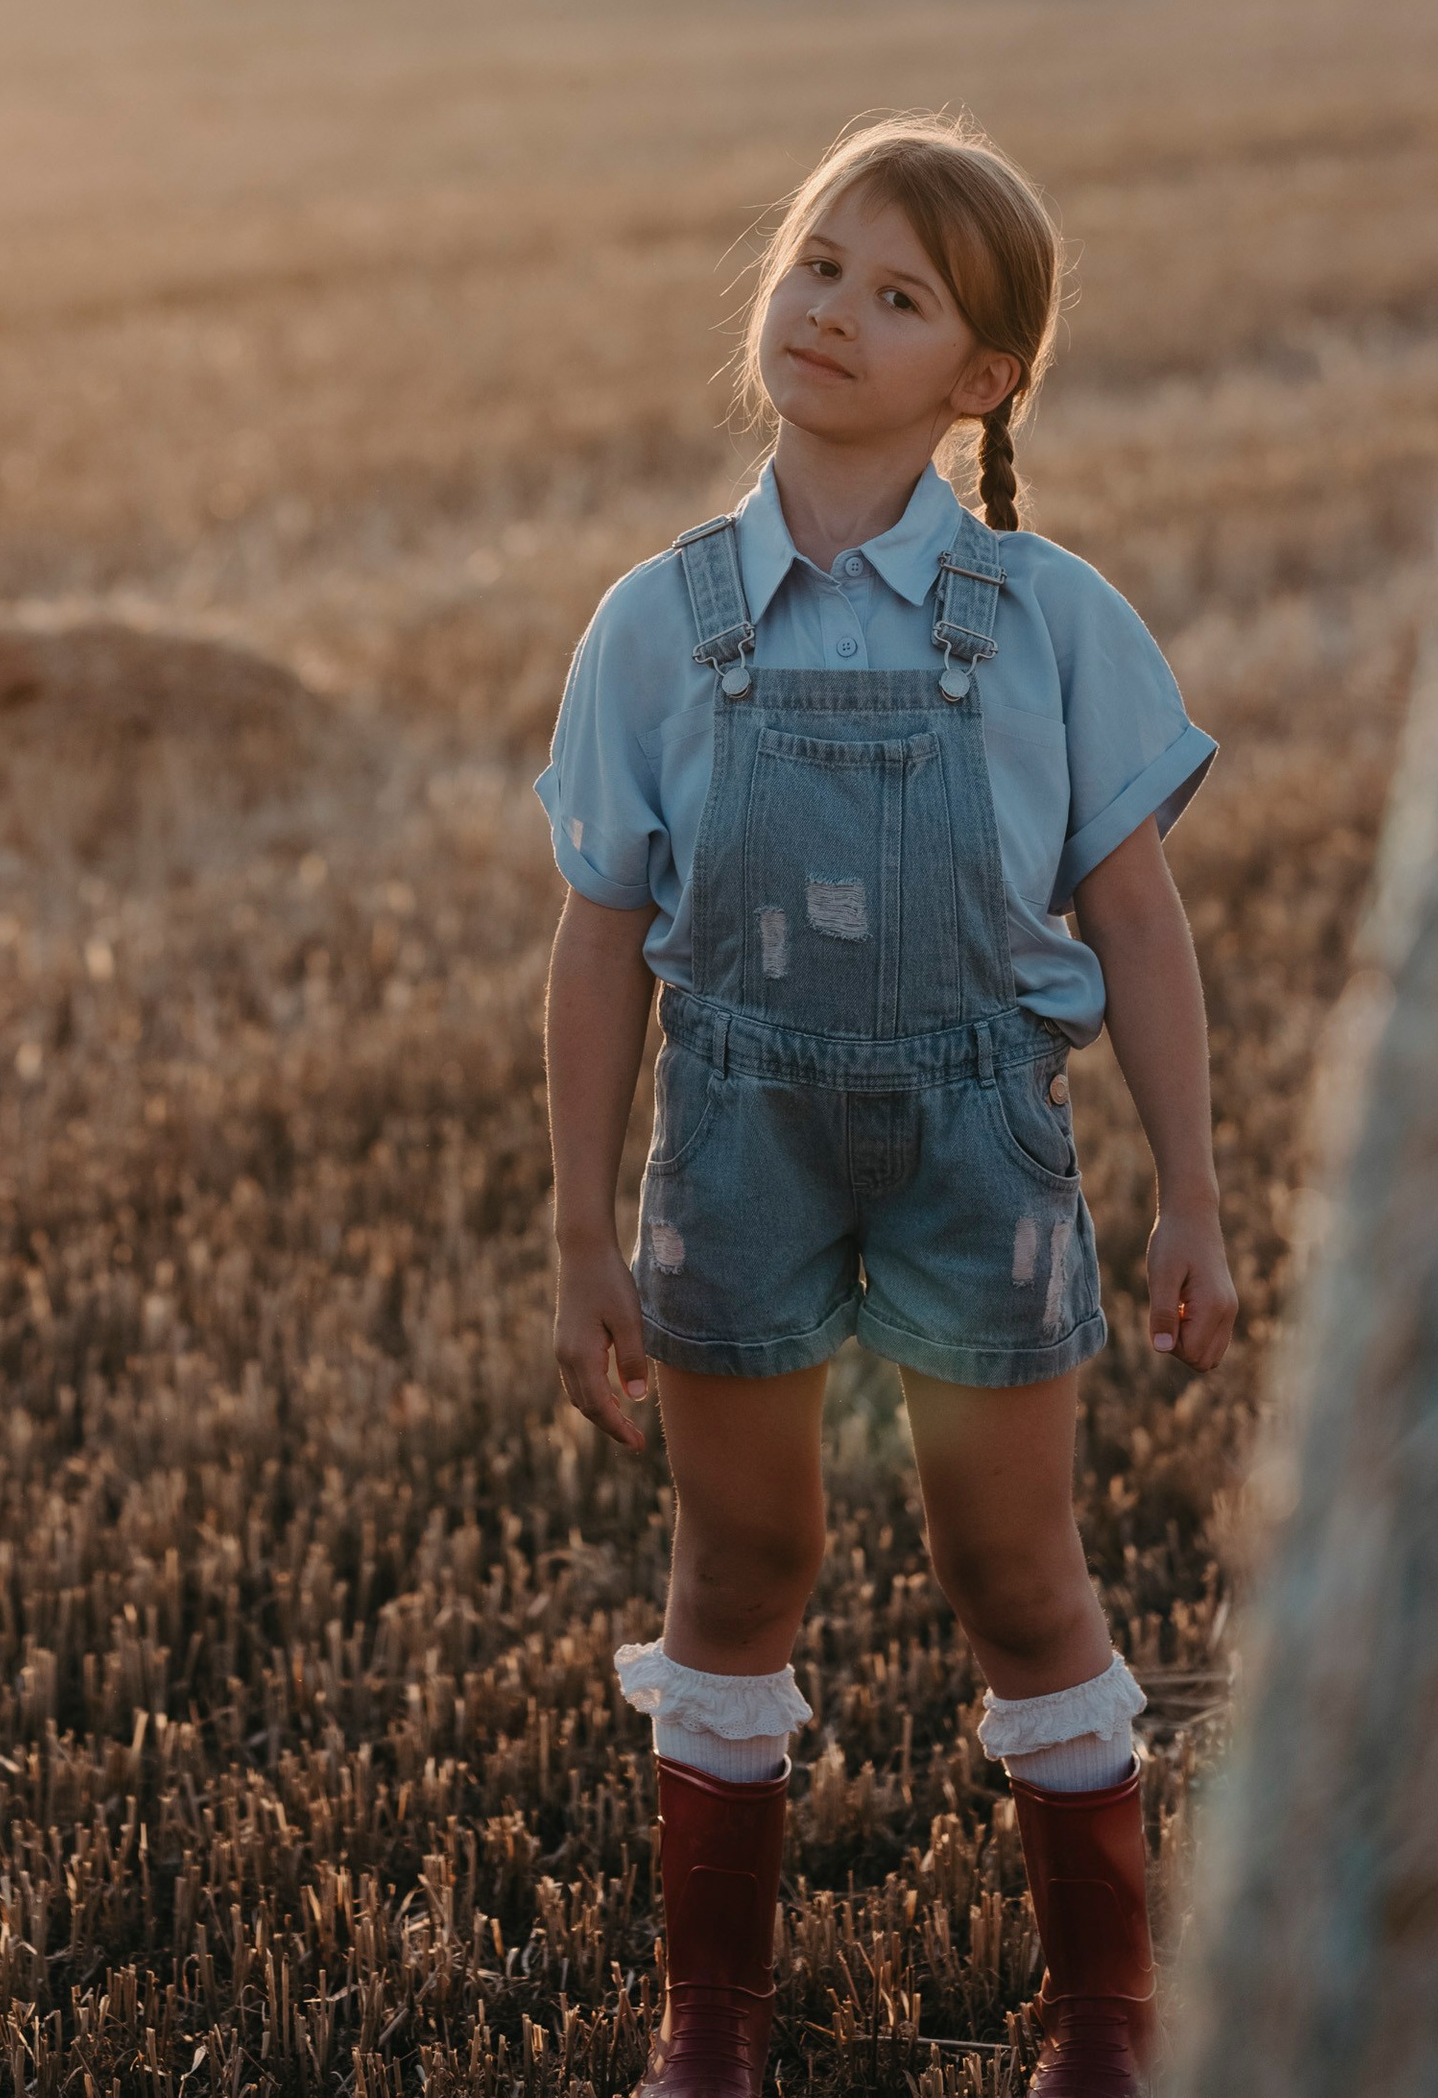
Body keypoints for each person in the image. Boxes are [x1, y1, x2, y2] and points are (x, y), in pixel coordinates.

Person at [540, 117, 1235, 2098]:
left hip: (980, 1156)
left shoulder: (1048, 621)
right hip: (733, 1151)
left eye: (896, 293)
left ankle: (1104, 2014)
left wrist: (1186, 1189)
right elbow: (596, 945)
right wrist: (579, 1225)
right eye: (813, 263)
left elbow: (1138, 923)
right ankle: (712, 2020)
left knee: (1018, 1582)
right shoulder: (653, 624)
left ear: (982, 377)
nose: (831, 309)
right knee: (735, 1579)